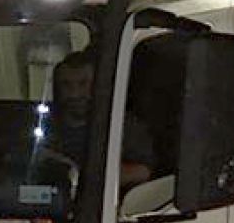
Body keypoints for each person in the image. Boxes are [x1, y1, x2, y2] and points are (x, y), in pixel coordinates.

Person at [47, 52, 156, 190]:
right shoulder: (46, 125)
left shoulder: (123, 124)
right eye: (66, 85)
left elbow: (143, 171)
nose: (74, 94)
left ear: (97, 86)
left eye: (83, 84)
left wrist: (87, 178)